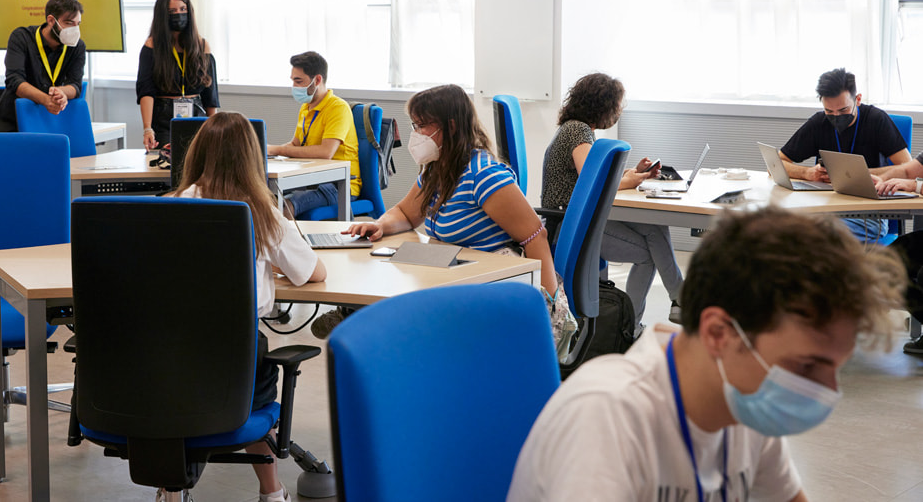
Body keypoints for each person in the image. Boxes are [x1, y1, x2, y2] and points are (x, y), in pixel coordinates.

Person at [507, 207, 905, 502]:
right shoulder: (609, 416)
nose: (828, 392)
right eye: (806, 366)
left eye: (836, 368)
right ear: (719, 333)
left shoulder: (744, 404)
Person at [170, 112, 326, 502]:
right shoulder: (261, 212)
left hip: (170, 356)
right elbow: (313, 272)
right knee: (255, 399)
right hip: (233, 359)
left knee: (182, 397)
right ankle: (271, 493)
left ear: (198, 153)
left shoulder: (170, 207)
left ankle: (169, 491)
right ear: (250, 157)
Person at [328, 84, 559, 339]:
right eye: (414, 125)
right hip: (459, 272)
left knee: (405, 311)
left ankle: (361, 321)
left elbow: (535, 236)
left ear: (450, 126)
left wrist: (547, 307)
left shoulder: (484, 174)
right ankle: (360, 318)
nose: (416, 134)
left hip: (492, 281)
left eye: (422, 125)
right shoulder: (437, 168)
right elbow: (406, 213)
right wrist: (381, 224)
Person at [541, 72, 682, 328]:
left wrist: (632, 174)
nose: (619, 112)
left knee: (655, 227)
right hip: (570, 225)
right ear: (603, 105)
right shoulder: (577, 130)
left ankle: (681, 300)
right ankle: (627, 325)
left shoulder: (576, 128)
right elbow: (593, 180)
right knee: (647, 255)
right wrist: (633, 180)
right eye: (617, 106)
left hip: (579, 216)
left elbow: (596, 174)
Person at [778, 67, 910, 240]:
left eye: (843, 110)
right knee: (789, 227)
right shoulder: (819, 122)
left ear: (858, 99)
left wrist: (858, 176)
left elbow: (908, 168)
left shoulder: (876, 120)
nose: (836, 116)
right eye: (829, 111)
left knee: (813, 233)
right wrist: (807, 173)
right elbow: (778, 162)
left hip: (868, 213)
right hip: (824, 206)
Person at [266, 51, 361, 217]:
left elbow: (326, 153)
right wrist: (269, 152)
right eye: (293, 81)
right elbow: (296, 144)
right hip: (310, 179)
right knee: (264, 200)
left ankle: (290, 243)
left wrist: (279, 150)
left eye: (299, 81)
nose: (294, 87)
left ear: (317, 80)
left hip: (337, 184)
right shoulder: (306, 107)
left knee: (284, 207)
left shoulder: (338, 108)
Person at [136, 0, 219, 150]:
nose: (179, 15)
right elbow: (146, 91)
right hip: (164, 117)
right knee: (169, 165)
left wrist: (214, 127)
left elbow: (211, 94)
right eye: (172, 11)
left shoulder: (202, 46)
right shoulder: (152, 46)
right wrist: (147, 128)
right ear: (163, 15)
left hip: (197, 114)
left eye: (183, 9)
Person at [0, 0, 86, 131]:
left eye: (77, 24)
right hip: (14, 120)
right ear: (51, 20)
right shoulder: (21, 38)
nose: (74, 29)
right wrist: (45, 100)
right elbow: (14, 80)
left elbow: (75, 85)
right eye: (69, 23)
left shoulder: (77, 46)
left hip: (49, 119)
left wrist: (62, 93)